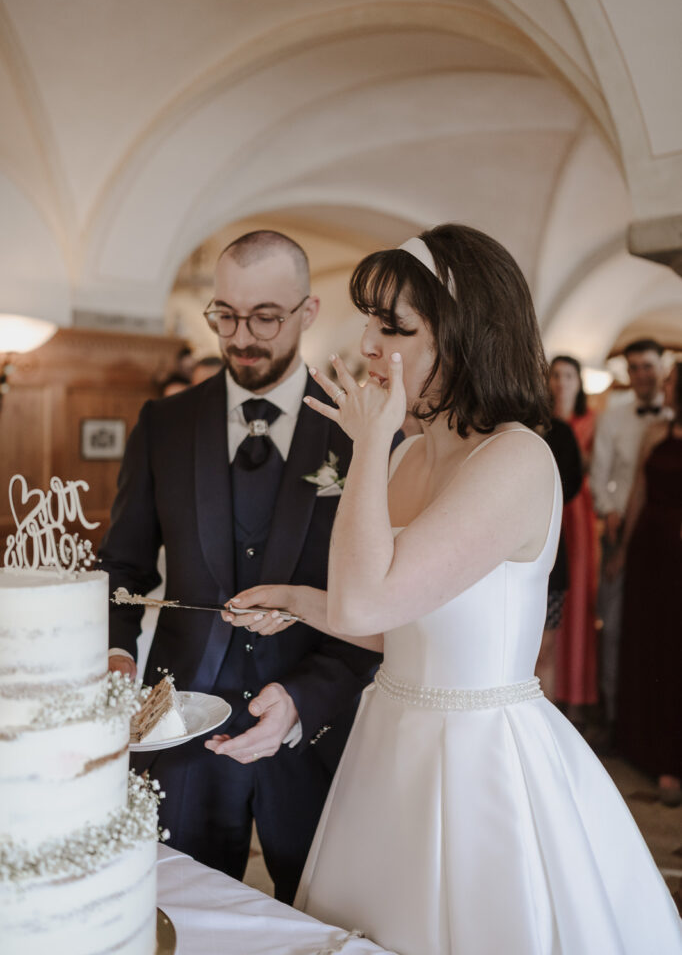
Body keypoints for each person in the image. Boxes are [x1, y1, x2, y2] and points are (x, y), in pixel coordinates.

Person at [224, 226, 682, 954]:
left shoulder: (517, 458)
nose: (369, 343)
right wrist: (296, 599)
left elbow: (364, 601)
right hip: (391, 739)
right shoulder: (409, 456)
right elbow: (391, 622)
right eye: (369, 320)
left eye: (394, 326)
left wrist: (366, 446)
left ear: (464, 338)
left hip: (477, 754)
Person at [99, 230, 379, 903]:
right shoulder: (163, 425)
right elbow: (123, 566)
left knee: (322, 921)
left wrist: (307, 698)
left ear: (308, 313)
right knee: (176, 915)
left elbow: (380, 602)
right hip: (183, 734)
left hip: (315, 735)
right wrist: (115, 653)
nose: (241, 337)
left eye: (265, 317)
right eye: (225, 314)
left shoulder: (361, 434)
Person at [610, 361, 682, 806]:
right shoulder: (657, 431)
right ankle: (646, 748)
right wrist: (621, 549)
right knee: (648, 643)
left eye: (673, 380)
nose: (666, 385)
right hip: (650, 550)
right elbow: (638, 489)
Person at [591, 338, 667, 736]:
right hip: (621, 533)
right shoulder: (613, 417)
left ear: (663, 365)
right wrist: (610, 508)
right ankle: (613, 716)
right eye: (634, 367)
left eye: (647, 366)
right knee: (615, 625)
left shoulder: (674, 417)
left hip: (665, 537)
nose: (641, 375)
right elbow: (600, 477)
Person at [548, 355, 599, 715]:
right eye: (555, 375)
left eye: (568, 375)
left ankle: (576, 698)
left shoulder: (591, 423)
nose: (561, 382)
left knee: (579, 602)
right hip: (550, 518)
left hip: (577, 515)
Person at [535, 416, 583, 702]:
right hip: (504, 558)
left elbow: (571, 483)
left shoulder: (561, 432)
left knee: (545, 648)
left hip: (551, 555)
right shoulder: (498, 428)